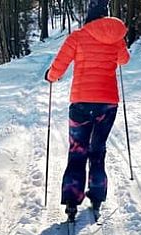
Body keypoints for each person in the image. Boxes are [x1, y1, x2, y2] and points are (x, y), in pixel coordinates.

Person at [45, 0, 130, 221]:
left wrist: (51, 76)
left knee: (77, 150)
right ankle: (98, 196)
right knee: (98, 149)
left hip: (81, 103)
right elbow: (124, 60)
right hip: (108, 104)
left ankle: (72, 200)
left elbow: (60, 65)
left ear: (88, 17)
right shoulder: (116, 38)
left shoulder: (77, 37)